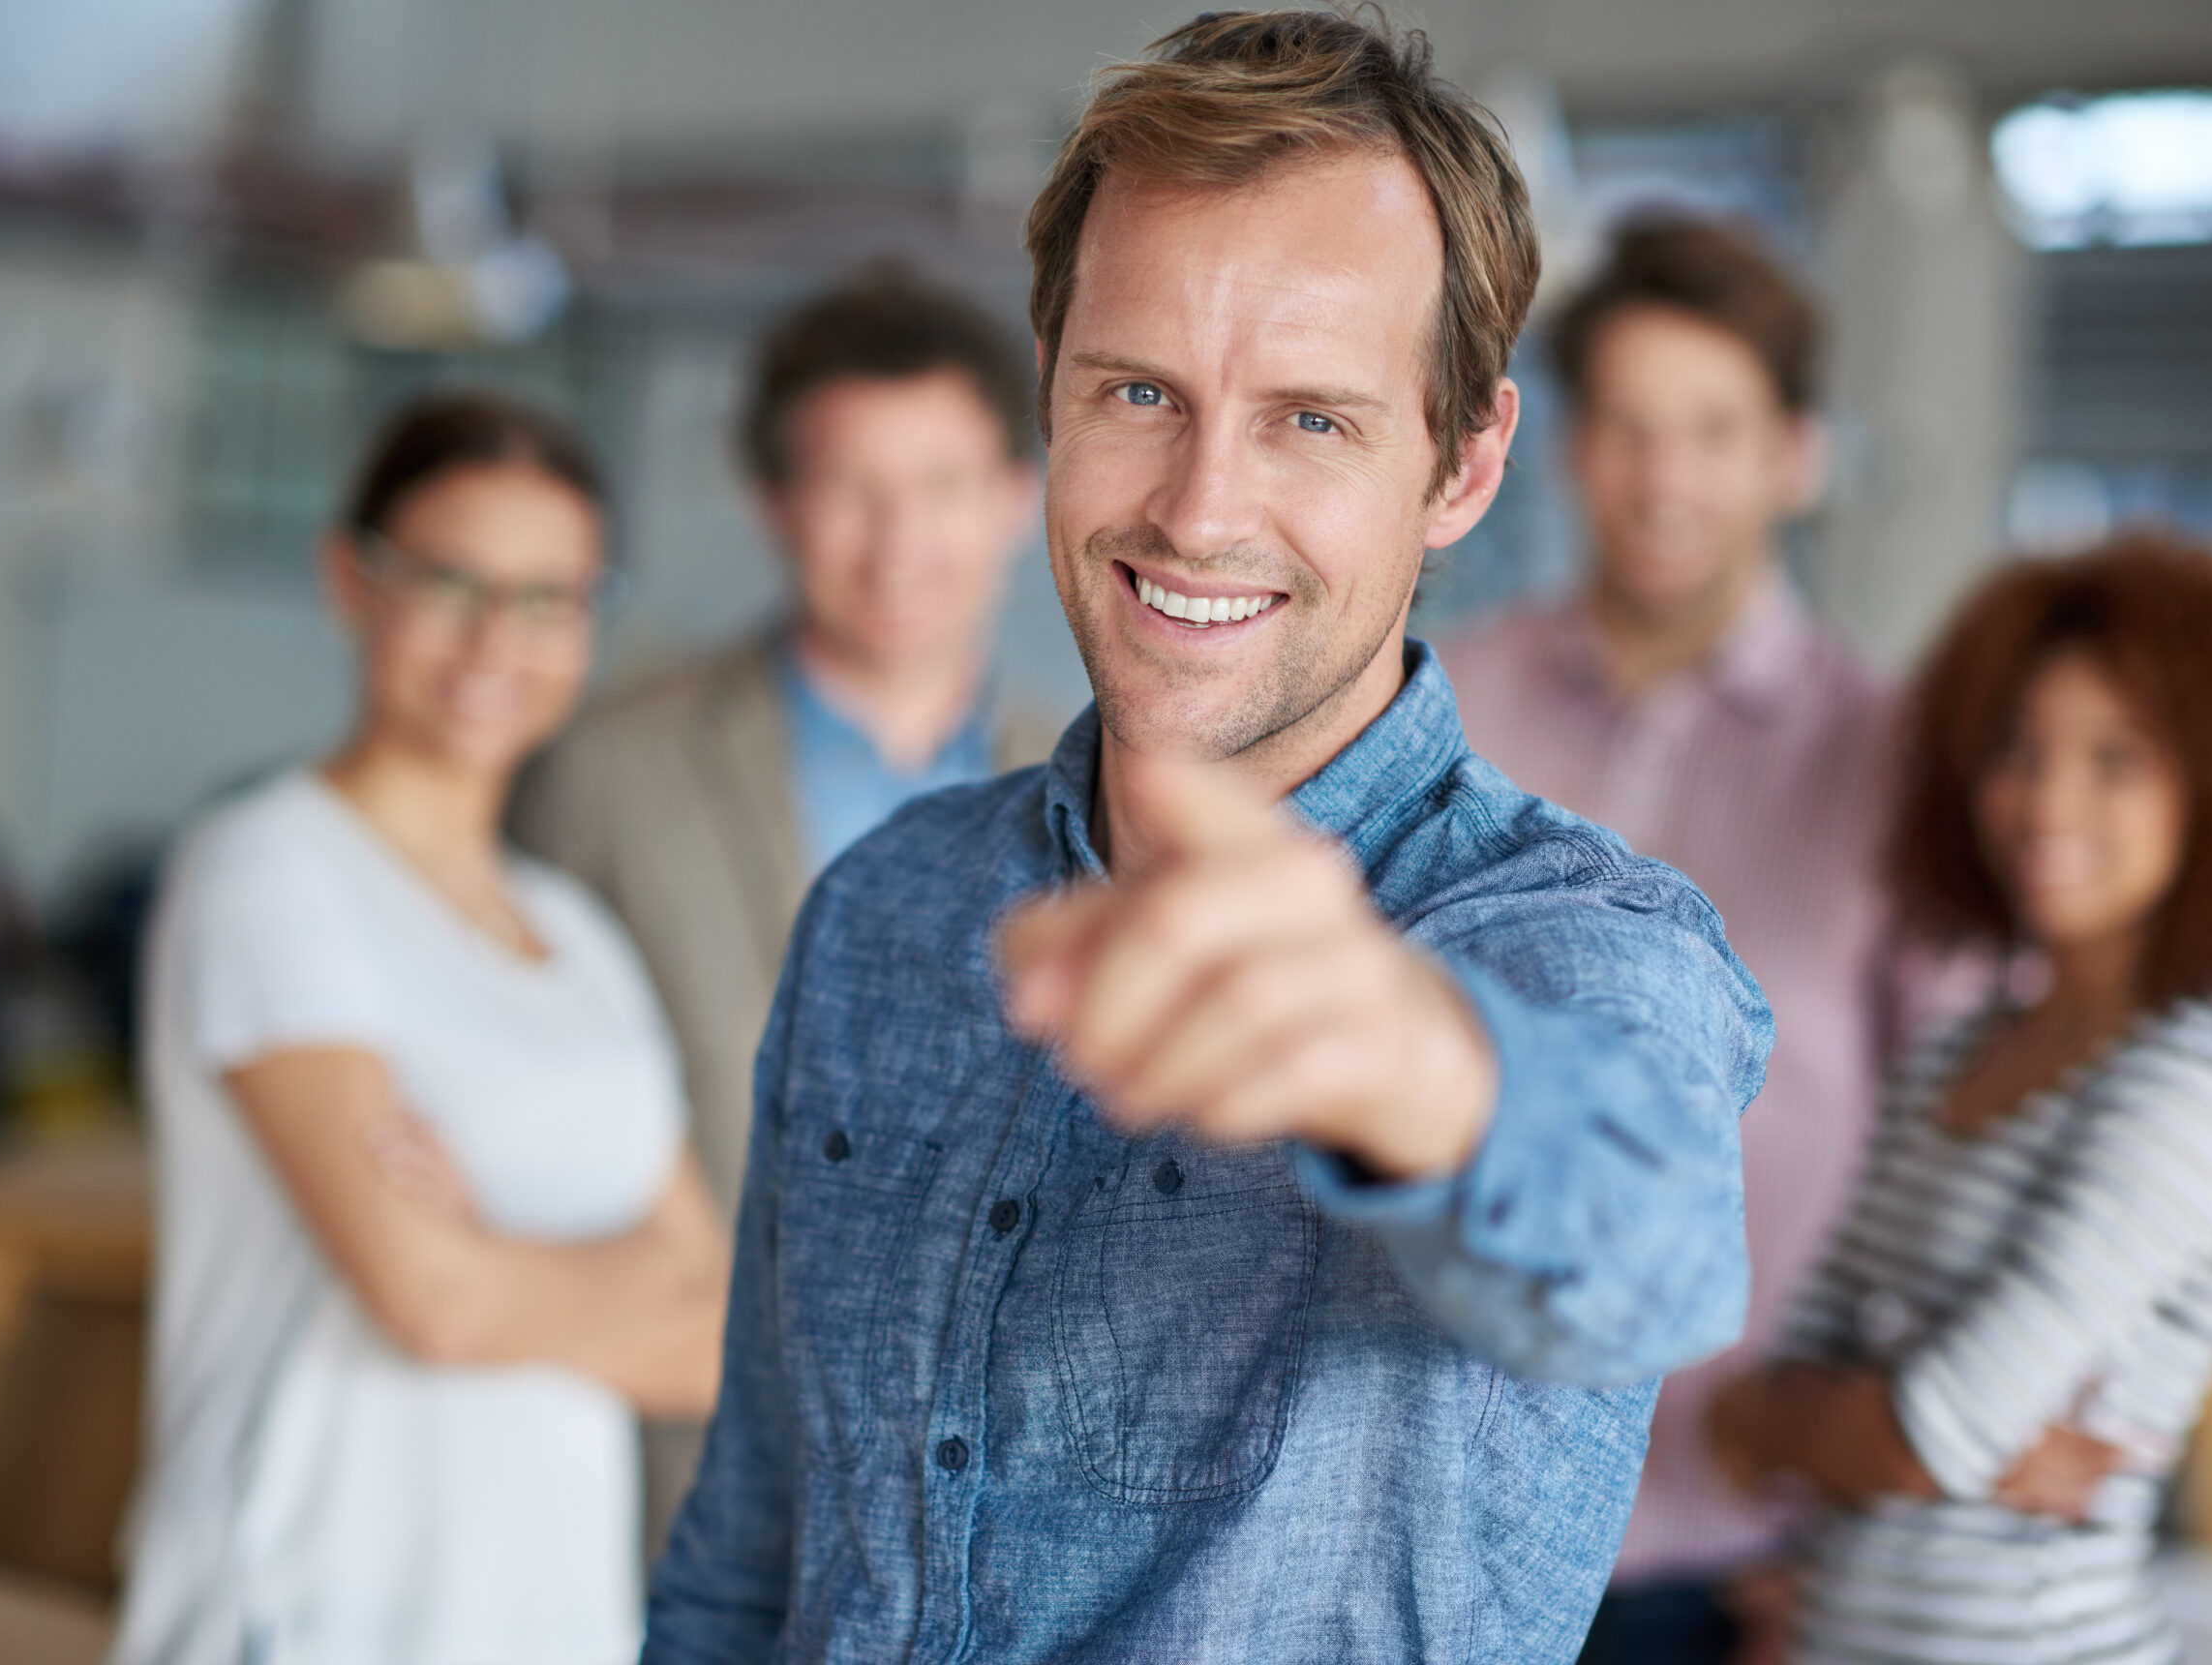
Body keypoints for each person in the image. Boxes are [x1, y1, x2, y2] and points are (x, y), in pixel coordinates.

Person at [645, 15, 1773, 1662]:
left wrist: (1415, 1069)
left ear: (1462, 467)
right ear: (1052, 391)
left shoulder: (1576, 938)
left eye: (1312, 419)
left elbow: (1655, 1250)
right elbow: (750, 1550)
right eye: (1137, 391)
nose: (1195, 509)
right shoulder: (887, 907)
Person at [115, 393, 728, 1665]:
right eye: (452, 582)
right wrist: (584, 1275)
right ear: (352, 580)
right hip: (307, 1613)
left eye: (550, 597)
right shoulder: (268, 870)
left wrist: (485, 1253)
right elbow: (433, 1302)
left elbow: (727, 1337)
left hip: (553, 1622)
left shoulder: (579, 939)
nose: (499, 638)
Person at [1711, 530, 2212, 1664]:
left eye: (2114, 759)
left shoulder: (2192, 1096)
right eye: (2017, 746)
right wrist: (1857, 1433)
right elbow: (1754, 1418)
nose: (2045, 800)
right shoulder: (1956, 1052)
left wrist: (1878, 1435)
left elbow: (1916, 1436)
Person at [1435, 218, 1892, 1659]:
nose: (1663, 478)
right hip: (1434, 1511)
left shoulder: (1891, 763)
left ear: (1794, 456)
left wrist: (1854, 1529)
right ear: (1570, 449)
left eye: (1712, 430)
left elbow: (1952, 1144)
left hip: (1731, 1555)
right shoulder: (1443, 705)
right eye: (1628, 427)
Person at [515, 267, 1061, 1215]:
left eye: (942, 486)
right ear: (773, 503)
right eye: (850, 487)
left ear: (1017, 498)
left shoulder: (1105, 798)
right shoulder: (606, 770)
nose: (897, 544)